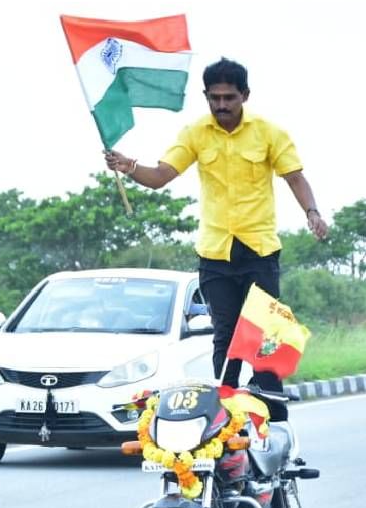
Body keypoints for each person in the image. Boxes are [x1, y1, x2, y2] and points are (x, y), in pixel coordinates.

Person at [103, 58, 328, 415]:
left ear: (245, 95)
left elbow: (295, 177)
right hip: (215, 253)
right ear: (206, 96)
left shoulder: (269, 133)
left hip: (260, 251)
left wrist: (312, 212)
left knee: (266, 333)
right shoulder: (195, 133)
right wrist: (128, 166)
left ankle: (274, 413)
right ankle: (227, 410)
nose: (222, 105)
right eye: (214, 98)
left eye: (229, 98)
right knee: (225, 332)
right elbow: (162, 175)